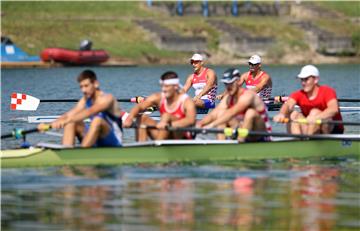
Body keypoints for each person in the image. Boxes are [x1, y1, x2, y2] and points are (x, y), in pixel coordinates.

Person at [38, 70, 123, 147]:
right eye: (81, 87)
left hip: (113, 141)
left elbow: (91, 111)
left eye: (86, 86)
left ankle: (82, 153)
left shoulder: (108, 98)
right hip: (95, 140)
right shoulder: (85, 99)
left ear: (96, 84)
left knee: (97, 120)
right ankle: (67, 153)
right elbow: (68, 115)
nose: (83, 90)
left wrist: (66, 120)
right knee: (72, 122)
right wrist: (49, 124)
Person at [198, 68, 272, 142]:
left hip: (262, 134)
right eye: (226, 84)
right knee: (221, 114)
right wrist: (200, 124)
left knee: (250, 113)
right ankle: (221, 145)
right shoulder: (228, 97)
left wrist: (211, 125)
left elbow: (232, 112)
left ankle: (240, 141)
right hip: (244, 129)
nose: (228, 87)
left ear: (238, 81)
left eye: (230, 83)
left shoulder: (248, 95)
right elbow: (214, 113)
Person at [123, 71, 196, 141]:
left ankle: (158, 147)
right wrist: (130, 117)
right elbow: (140, 107)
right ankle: (141, 149)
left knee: (166, 116)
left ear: (176, 86)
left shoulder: (187, 101)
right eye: (162, 86)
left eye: (166, 86)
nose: (163, 89)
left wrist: (170, 124)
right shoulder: (159, 97)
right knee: (142, 118)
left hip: (181, 136)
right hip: (164, 132)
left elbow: (191, 120)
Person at [273, 65, 343, 135]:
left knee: (314, 112)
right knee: (293, 115)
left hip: (333, 130)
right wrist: (281, 114)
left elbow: (334, 109)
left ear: (316, 80)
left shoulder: (327, 91)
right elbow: (288, 105)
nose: (303, 83)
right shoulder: (298, 94)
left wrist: (316, 117)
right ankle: (298, 142)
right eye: (302, 80)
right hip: (311, 126)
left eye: (306, 79)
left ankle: (310, 141)